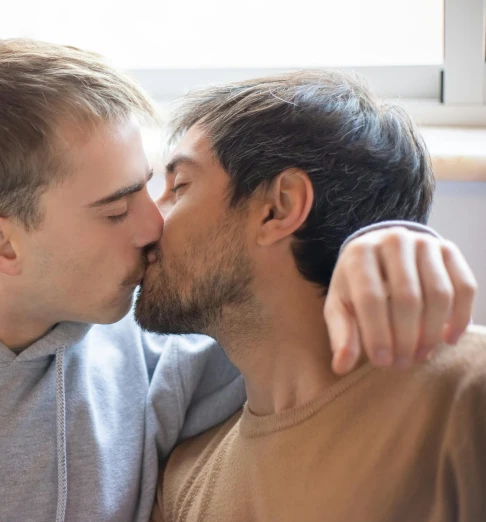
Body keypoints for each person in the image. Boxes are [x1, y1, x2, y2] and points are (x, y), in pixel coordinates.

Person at [0, 41, 476, 522]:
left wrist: (390, 235)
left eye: (161, 185)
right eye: (118, 207)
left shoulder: (156, 370)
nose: (153, 226)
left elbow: (289, 315)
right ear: (0, 244)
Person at [146, 70, 483, 522]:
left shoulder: (465, 396)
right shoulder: (183, 483)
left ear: (278, 208)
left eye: (180, 186)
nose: (149, 223)